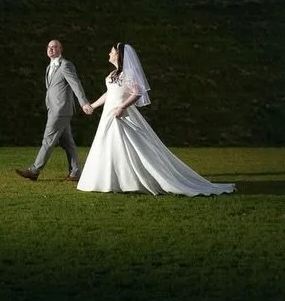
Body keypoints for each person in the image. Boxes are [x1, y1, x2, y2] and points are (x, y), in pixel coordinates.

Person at [76, 42, 236, 196]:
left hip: (118, 113)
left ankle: (129, 181)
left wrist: (122, 107)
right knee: (108, 145)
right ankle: (111, 181)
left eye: (112, 51)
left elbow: (138, 92)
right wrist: (93, 105)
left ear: (119, 55)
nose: (109, 53)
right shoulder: (113, 75)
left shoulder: (127, 75)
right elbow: (109, 93)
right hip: (109, 113)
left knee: (124, 145)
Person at [16, 38, 93, 182]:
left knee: (48, 140)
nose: (51, 49)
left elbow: (76, 84)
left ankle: (34, 170)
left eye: (55, 47)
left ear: (60, 49)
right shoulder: (49, 67)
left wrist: (84, 103)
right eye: (49, 47)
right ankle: (75, 173)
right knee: (67, 142)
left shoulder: (66, 65)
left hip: (60, 110)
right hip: (54, 109)